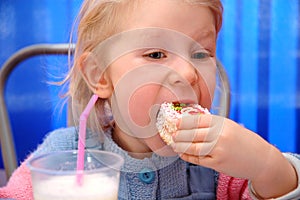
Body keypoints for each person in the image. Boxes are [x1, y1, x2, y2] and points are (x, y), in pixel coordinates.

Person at [1, 0, 299, 199]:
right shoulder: (62, 157)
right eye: (156, 54)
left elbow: (280, 188)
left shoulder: (224, 160)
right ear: (100, 75)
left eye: (201, 53)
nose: (188, 72)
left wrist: (266, 166)